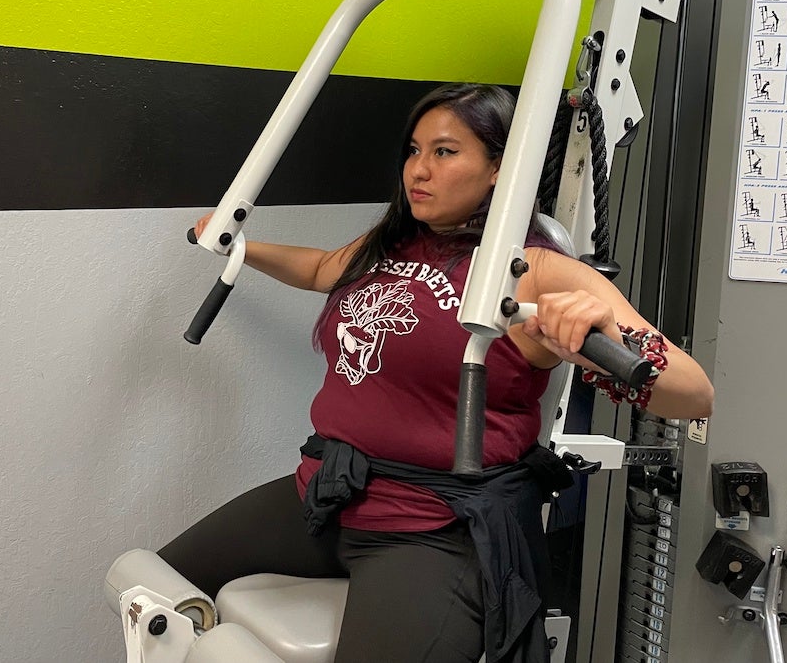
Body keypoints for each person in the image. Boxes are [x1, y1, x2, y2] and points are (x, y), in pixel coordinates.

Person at [158, 83, 713, 663]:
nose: (419, 170)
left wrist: (596, 325)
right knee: (154, 591)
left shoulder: (537, 270)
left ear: (500, 168)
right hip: (327, 493)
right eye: (414, 150)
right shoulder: (398, 242)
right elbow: (324, 268)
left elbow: (695, 393)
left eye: (444, 152)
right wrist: (239, 245)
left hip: (434, 530)